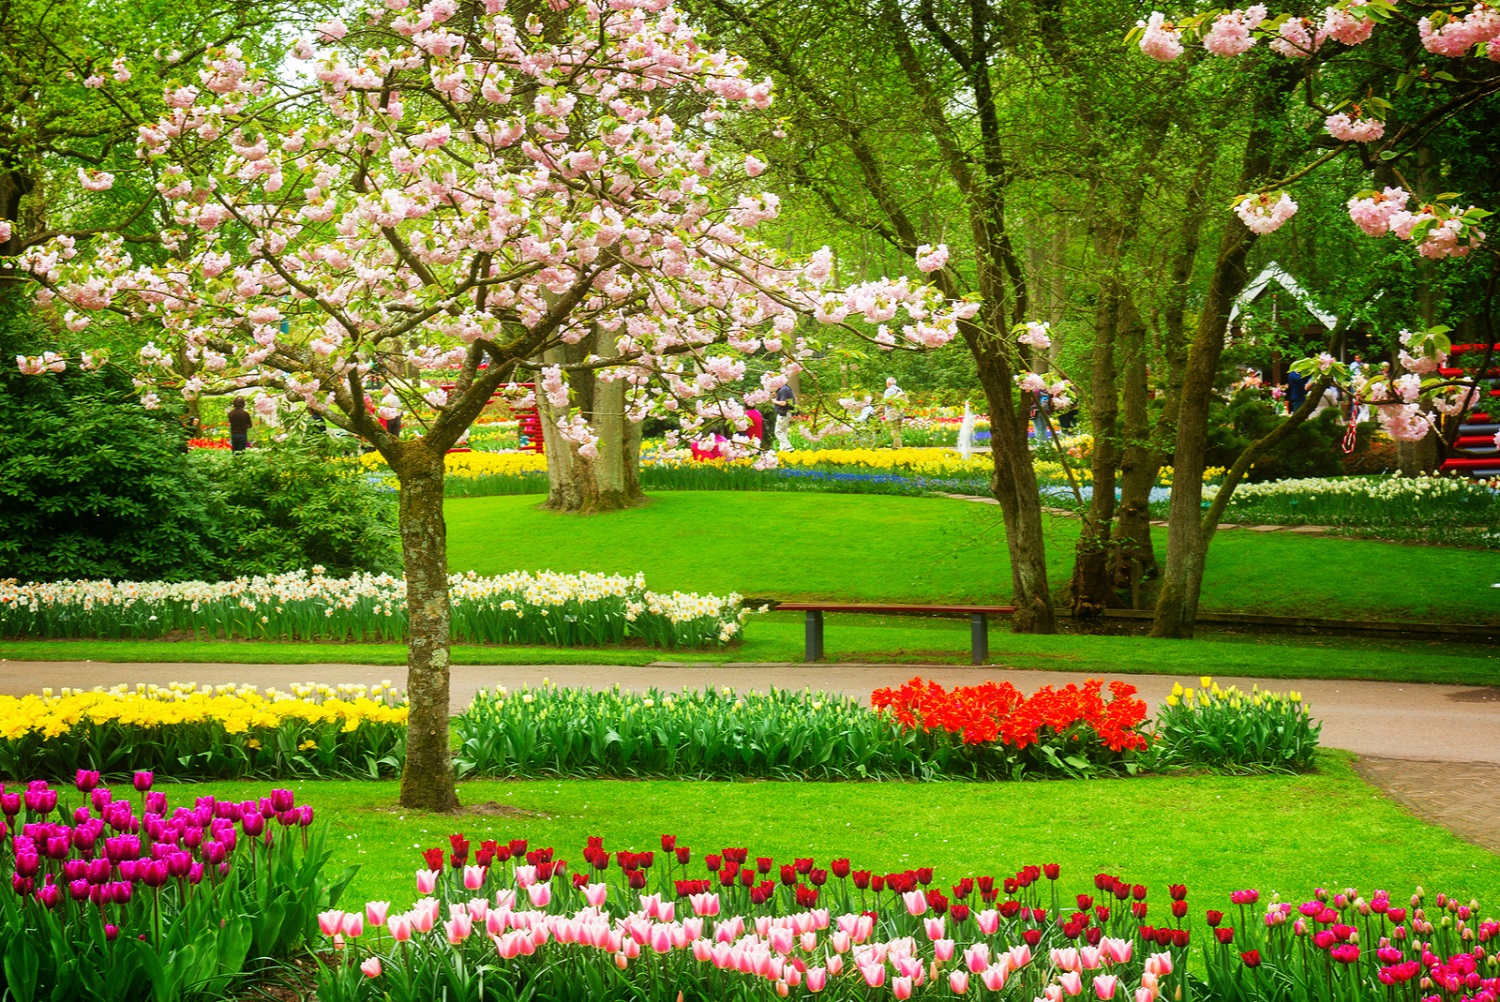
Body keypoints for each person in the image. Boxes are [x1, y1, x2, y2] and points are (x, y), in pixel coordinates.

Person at [882, 376, 907, 448]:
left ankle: (898, 447)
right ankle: (895, 446)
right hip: (900, 411)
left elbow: (886, 402)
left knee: (894, 429)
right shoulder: (899, 390)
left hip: (892, 412)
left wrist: (877, 410)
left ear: (888, 383)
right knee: (898, 430)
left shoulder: (889, 390)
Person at [772, 382, 796, 451]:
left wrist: (774, 401)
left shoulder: (783, 389)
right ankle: (783, 450)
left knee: (778, 431)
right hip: (788, 413)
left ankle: (788, 447)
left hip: (783, 413)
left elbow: (783, 403)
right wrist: (777, 395)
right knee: (783, 432)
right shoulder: (786, 388)